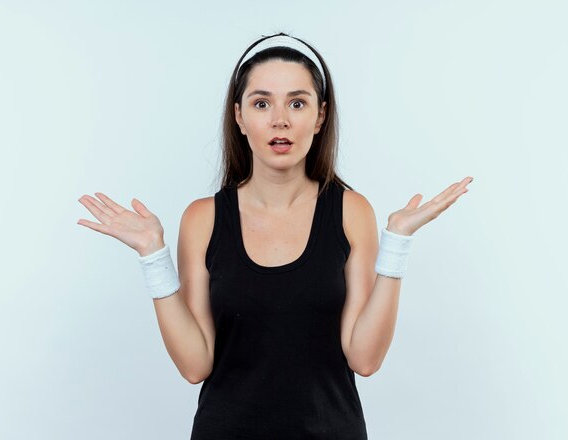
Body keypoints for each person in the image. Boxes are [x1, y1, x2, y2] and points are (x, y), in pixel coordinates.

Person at [77, 32, 473, 439]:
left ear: (320, 117)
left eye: (297, 103)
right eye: (261, 103)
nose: (279, 119)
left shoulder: (351, 212)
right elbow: (195, 365)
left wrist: (397, 243)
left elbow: (365, 358)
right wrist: (152, 255)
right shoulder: (203, 219)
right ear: (239, 116)